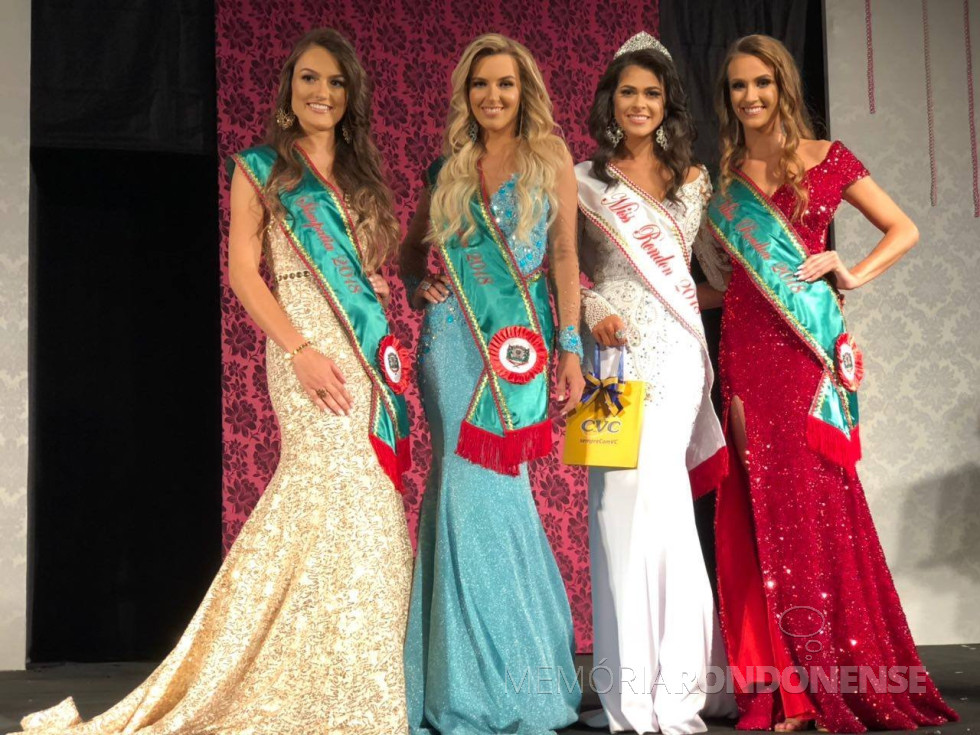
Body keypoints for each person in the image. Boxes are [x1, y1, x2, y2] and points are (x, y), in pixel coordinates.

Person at [17, 28, 414, 735]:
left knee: (366, 517)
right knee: (332, 497)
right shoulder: (261, 167)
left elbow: (362, 265)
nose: (320, 93)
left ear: (352, 96)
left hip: (363, 349)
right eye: (308, 80)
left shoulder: (358, 178)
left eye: (334, 83)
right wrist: (297, 348)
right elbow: (241, 272)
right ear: (290, 90)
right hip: (304, 350)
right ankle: (264, 671)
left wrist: (376, 281)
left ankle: (344, 680)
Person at [696, 34, 959, 733]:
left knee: (815, 512)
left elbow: (902, 229)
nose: (750, 97)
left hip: (806, 357)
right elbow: (722, 288)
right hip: (747, 355)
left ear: (784, 85)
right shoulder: (722, 177)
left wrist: (850, 269)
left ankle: (832, 676)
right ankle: (789, 689)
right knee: (763, 515)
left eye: (762, 83)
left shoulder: (829, 158)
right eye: (737, 87)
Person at [399, 32, 585, 735]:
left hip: (516, 345)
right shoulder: (451, 167)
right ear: (466, 95)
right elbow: (413, 250)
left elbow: (566, 253)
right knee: (456, 490)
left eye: (505, 84)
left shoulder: (550, 158)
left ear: (524, 90)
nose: (493, 96)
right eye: (481, 85)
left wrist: (569, 345)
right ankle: (460, 680)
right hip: (451, 342)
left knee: (501, 495)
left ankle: (520, 672)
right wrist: (422, 282)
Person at [573, 32, 735, 735]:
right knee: (615, 507)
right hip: (609, 361)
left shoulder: (695, 179)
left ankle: (678, 689)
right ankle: (627, 691)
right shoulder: (582, 178)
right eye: (628, 91)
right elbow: (561, 276)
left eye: (652, 92)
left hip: (672, 355)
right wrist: (593, 305)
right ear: (612, 99)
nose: (640, 103)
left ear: (668, 102)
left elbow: (718, 278)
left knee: (663, 502)